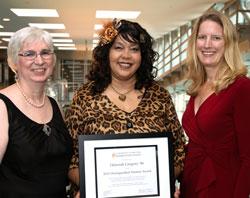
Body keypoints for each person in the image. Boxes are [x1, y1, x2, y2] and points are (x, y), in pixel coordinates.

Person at [65, 19, 186, 197]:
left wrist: (160, 182)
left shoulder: (160, 96)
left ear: (143, 55)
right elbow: (68, 156)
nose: (126, 56)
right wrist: (94, 187)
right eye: (119, 47)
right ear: (107, 53)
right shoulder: (84, 97)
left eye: (134, 49)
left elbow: (179, 151)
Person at [180, 10, 250, 198]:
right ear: (194, 44)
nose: (207, 44)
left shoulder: (241, 87)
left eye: (216, 37)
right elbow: (197, 144)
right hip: (191, 185)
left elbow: (248, 157)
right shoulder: (196, 89)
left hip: (224, 187)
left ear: (227, 43)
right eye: (202, 37)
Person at [0, 27, 73, 197]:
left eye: (45, 53)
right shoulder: (2, 106)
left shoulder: (55, 106)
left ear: (53, 59)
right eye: (29, 54)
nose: (39, 61)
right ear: (14, 62)